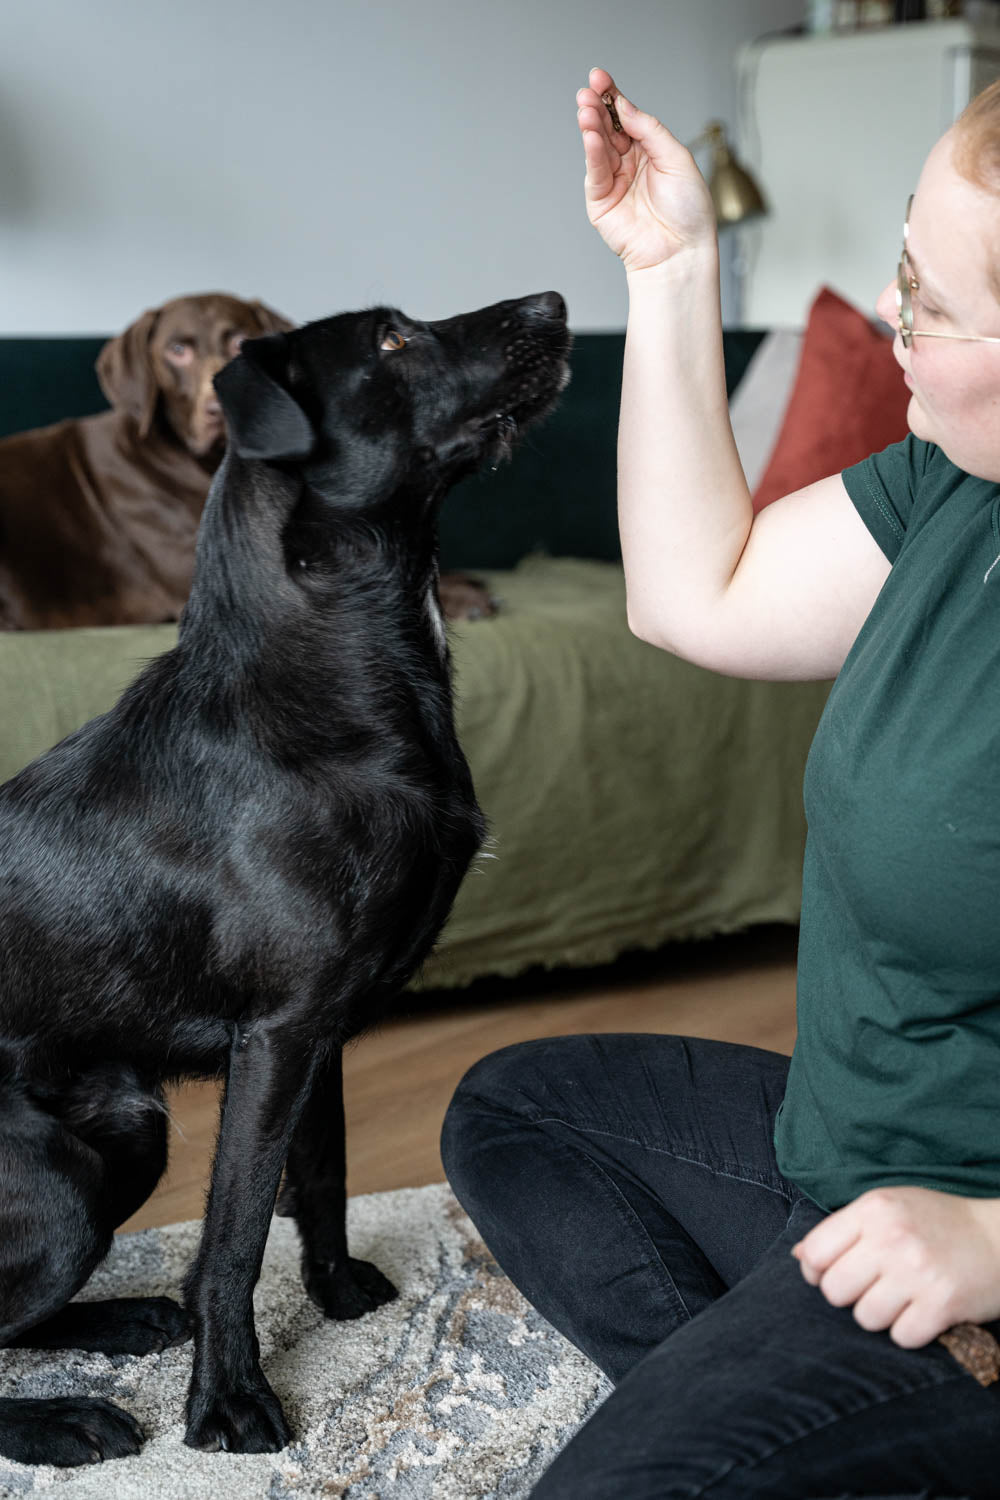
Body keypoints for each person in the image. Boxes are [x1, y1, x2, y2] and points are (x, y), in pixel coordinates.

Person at [440, 66, 1000, 1499]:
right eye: (900, 270)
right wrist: (675, 267)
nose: (894, 319)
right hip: (847, 1164)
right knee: (515, 1113)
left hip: (973, 1238)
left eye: (930, 302)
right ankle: (846, 1422)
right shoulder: (954, 488)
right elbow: (699, 596)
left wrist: (990, 1246)